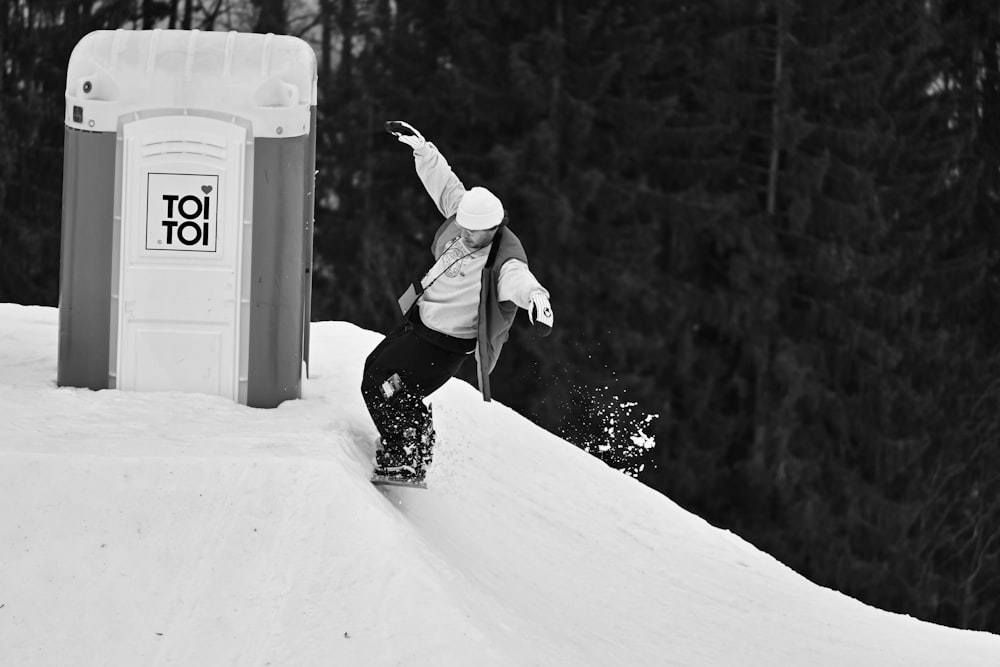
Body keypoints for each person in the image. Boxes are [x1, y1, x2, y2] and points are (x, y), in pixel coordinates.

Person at [362, 120, 554, 484]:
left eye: (473, 232)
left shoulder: (503, 259)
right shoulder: (464, 220)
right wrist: (422, 148)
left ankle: (408, 458)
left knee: (385, 387)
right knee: (374, 371)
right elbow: (445, 184)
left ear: (494, 227)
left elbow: (520, 281)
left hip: (445, 344)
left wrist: (537, 299)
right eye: (462, 228)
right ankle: (415, 441)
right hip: (420, 324)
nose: (464, 235)